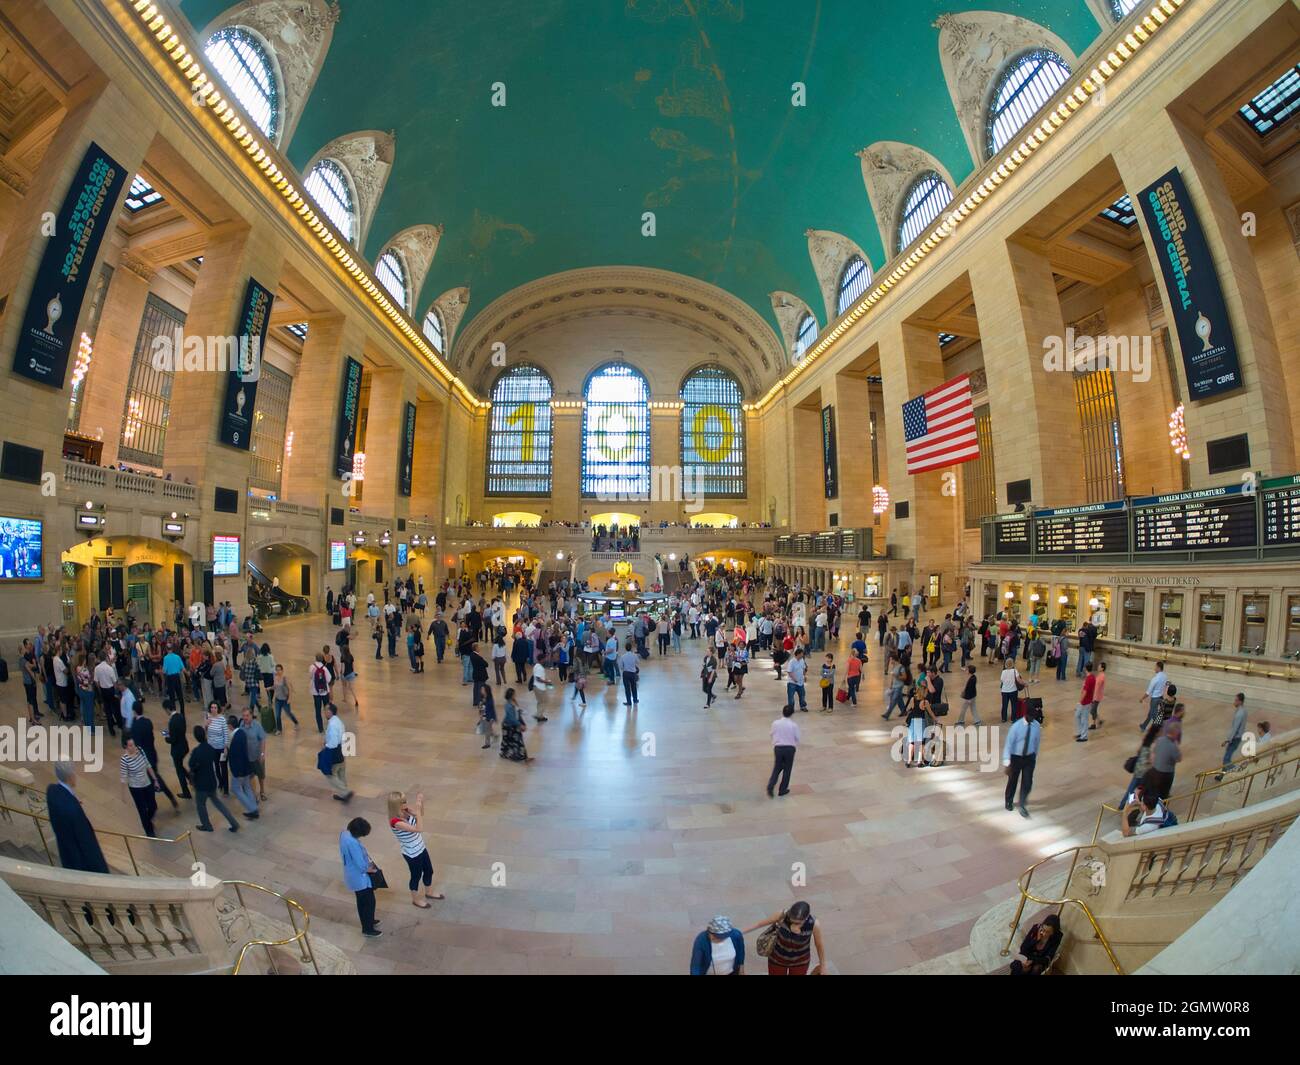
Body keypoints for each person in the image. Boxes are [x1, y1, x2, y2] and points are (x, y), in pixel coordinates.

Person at [46, 763, 109, 874]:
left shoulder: (51, 790)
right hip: (81, 865)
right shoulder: (73, 811)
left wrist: (72, 800)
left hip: (66, 855)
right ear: (70, 776)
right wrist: (103, 871)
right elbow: (88, 845)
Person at [387, 791, 445, 908]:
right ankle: (416, 899)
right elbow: (419, 828)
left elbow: (421, 814)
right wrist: (417, 810)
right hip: (412, 853)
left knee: (429, 870)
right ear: (396, 805)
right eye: (403, 802)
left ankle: (428, 892)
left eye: (405, 801)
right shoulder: (395, 822)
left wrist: (420, 804)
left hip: (421, 847)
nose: (406, 803)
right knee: (416, 876)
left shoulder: (406, 811)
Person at [743, 902, 826, 976]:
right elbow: (758, 924)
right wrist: (739, 932)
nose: (794, 924)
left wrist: (823, 966)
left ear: (806, 918)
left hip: (800, 962)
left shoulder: (814, 924)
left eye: (798, 923)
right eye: (792, 920)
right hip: (777, 960)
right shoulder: (782, 914)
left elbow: (819, 945)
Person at [189, 725, 239, 833]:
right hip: (211, 781)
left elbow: (191, 765)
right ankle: (233, 822)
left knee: (201, 805)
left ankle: (207, 825)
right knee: (218, 804)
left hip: (201, 785)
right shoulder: (210, 748)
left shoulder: (196, 752)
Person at [340, 818, 383, 938]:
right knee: (368, 902)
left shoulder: (344, 834)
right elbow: (361, 865)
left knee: (362, 901)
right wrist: (372, 869)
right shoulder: (353, 843)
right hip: (359, 878)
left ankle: (368, 921)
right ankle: (367, 929)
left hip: (352, 875)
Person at [1002, 707, 1042, 818]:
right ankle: (1008, 800)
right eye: (1031, 716)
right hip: (1016, 758)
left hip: (1029, 758)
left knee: (1027, 782)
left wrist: (1034, 755)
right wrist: (1007, 763)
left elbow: (1037, 741)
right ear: (1026, 715)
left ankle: (1022, 803)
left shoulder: (1036, 726)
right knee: (1012, 781)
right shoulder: (1016, 727)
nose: (1033, 719)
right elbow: (1008, 745)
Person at [119, 737, 160, 838]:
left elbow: (148, 765)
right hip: (136, 788)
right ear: (126, 746)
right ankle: (149, 830)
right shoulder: (124, 759)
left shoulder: (140, 750)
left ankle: (147, 821)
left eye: (134, 744)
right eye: (130, 745)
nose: (133, 747)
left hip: (147, 783)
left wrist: (155, 780)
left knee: (153, 806)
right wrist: (123, 794)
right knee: (142, 810)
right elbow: (124, 776)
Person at [226, 714, 260, 820]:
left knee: (235, 789)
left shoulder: (234, 738)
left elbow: (235, 757)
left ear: (231, 726)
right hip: (246, 767)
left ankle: (252, 809)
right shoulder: (242, 733)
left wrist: (236, 771)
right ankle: (254, 807)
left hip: (239, 770)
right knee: (247, 787)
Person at [320, 703, 353, 801]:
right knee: (341, 772)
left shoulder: (333, 724)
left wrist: (325, 748)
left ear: (330, 712)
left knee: (330, 774)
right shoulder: (338, 721)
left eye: (325, 710)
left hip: (334, 751)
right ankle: (344, 793)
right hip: (342, 749)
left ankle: (345, 792)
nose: (324, 712)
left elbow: (333, 742)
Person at [1142, 719, 1182, 800]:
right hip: (1166, 774)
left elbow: (1154, 752)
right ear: (1174, 733)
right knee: (1163, 794)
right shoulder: (1173, 746)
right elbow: (1179, 759)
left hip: (1155, 770)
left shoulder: (1159, 740)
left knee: (1154, 790)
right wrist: (1177, 746)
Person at [767, 704, 799, 798]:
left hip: (778, 748)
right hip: (789, 748)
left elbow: (771, 733)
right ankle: (782, 789)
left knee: (777, 767)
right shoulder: (793, 725)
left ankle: (771, 785)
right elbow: (797, 737)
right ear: (792, 714)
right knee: (787, 769)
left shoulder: (775, 723)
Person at [163, 702, 191, 799]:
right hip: (184, 746)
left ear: (167, 709)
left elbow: (172, 739)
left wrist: (166, 736)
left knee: (179, 771)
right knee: (180, 766)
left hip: (177, 750)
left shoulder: (172, 721)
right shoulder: (181, 716)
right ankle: (192, 779)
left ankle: (186, 792)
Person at [1218, 693, 1248, 777]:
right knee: (1227, 756)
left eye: (1236, 700)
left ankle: (1239, 772)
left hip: (1235, 738)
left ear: (1240, 701)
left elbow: (1235, 729)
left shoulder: (1240, 714)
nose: (1234, 702)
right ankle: (1222, 776)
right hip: (1237, 737)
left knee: (1226, 759)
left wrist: (1227, 740)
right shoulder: (1243, 711)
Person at [500, 688, 530, 762]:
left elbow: (518, 713)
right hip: (508, 726)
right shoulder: (508, 705)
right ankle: (514, 755)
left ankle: (522, 756)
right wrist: (520, 725)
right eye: (514, 694)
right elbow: (511, 718)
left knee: (518, 740)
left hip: (514, 725)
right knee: (511, 740)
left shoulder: (514, 702)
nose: (515, 695)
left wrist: (523, 723)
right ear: (511, 695)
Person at [1139, 660, 1169, 730]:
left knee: (1153, 714)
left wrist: (1142, 698)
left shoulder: (1155, 679)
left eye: (1155, 667)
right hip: (1161, 697)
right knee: (1151, 713)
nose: (1154, 668)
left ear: (1158, 668)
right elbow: (1167, 684)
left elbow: (1148, 692)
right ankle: (1143, 726)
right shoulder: (1165, 676)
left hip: (1155, 699)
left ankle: (1161, 728)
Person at [1073, 662, 1097, 743]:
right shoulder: (1092, 677)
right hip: (1085, 701)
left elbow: (1085, 692)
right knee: (1077, 715)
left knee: (1084, 719)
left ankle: (1084, 736)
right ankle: (1080, 732)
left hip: (1085, 702)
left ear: (1085, 668)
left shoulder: (1089, 679)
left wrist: (1080, 702)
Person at [785, 647, 808, 712]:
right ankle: (791, 708)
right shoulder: (792, 662)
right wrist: (794, 679)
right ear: (798, 654)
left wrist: (804, 676)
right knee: (791, 697)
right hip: (792, 683)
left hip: (800, 682)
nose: (802, 655)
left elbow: (803, 669)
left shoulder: (802, 660)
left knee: (802, 695)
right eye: (801, 654)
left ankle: (803, 706)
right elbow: (789, 671)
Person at [1089, 661, 1106, 729]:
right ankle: (1099, 721)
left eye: (1099, 666)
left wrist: (1093, 696)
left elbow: (1098, 687)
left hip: (1097, 696)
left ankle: (1094, 724)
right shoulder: (1100, 675)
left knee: (1092, 710)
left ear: (1102, 668)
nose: (1098, 667)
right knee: (1094, 710)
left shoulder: (1102, 676)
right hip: (1095, 695)